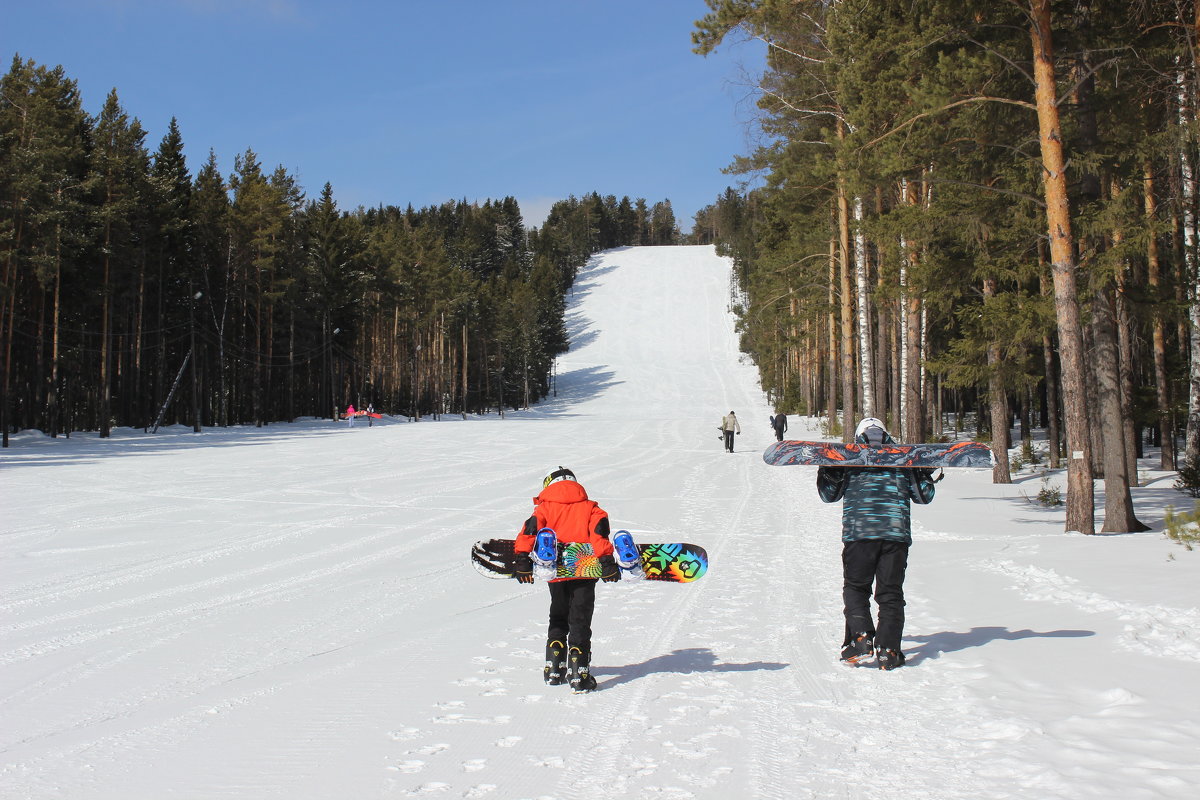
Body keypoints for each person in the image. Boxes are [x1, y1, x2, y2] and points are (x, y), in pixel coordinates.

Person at [816, 417, 938, 670]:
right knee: (891, 592)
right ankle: (889, 650)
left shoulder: (848, 457)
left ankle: (861, 637)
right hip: (895, 534)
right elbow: (923, 497)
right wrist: (923, 472)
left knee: (856, 587)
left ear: (859, 434)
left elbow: (829, 496)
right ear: (885, 434)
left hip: (860, 534)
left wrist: (827, 469)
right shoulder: (904, 458)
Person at [513, 467, 620, 692]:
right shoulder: (591, 508)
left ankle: (554, 668)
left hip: (555, 572)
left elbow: (529, 532)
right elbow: (599, 535)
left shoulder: (544, 508)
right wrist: (607, 562)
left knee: (558, 613)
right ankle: (579, 674)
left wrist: (522, 559)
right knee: (580, 617)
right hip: (585, 571)